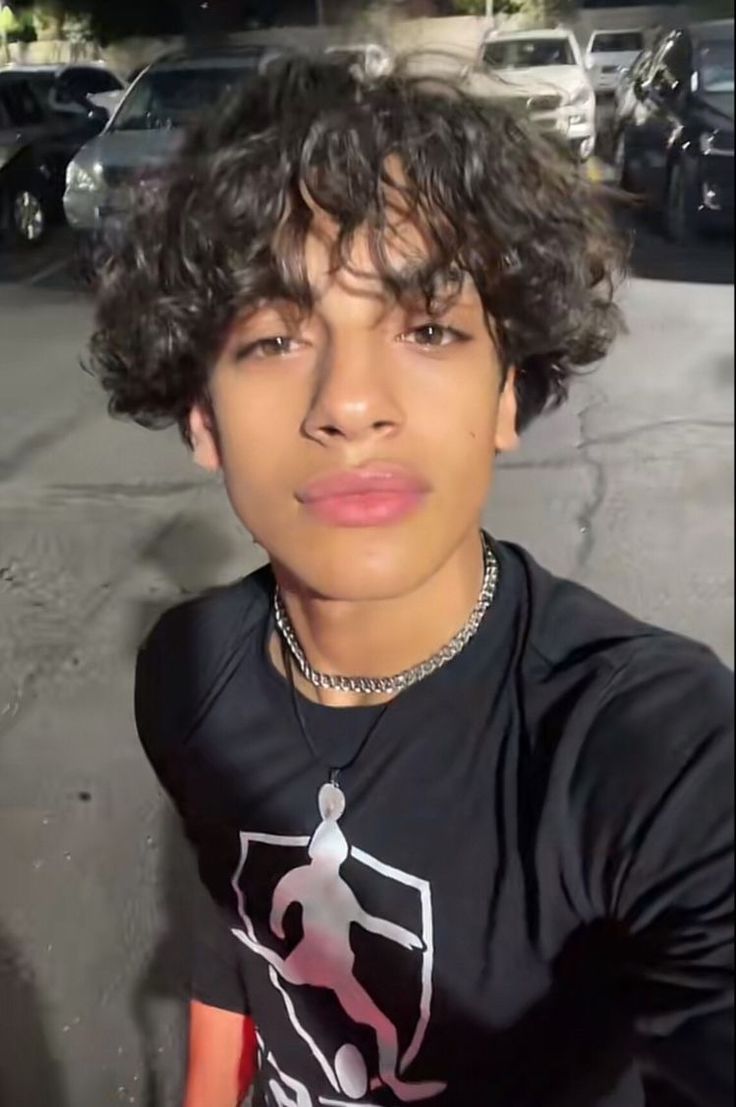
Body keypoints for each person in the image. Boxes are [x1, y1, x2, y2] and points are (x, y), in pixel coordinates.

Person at [90, 54, 734, 1107]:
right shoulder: (186, 672)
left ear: (505, 396)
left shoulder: (651, 752)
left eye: (428, 328)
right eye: (273, 337)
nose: (350, 402)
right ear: (200, 417)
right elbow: (237, 934)